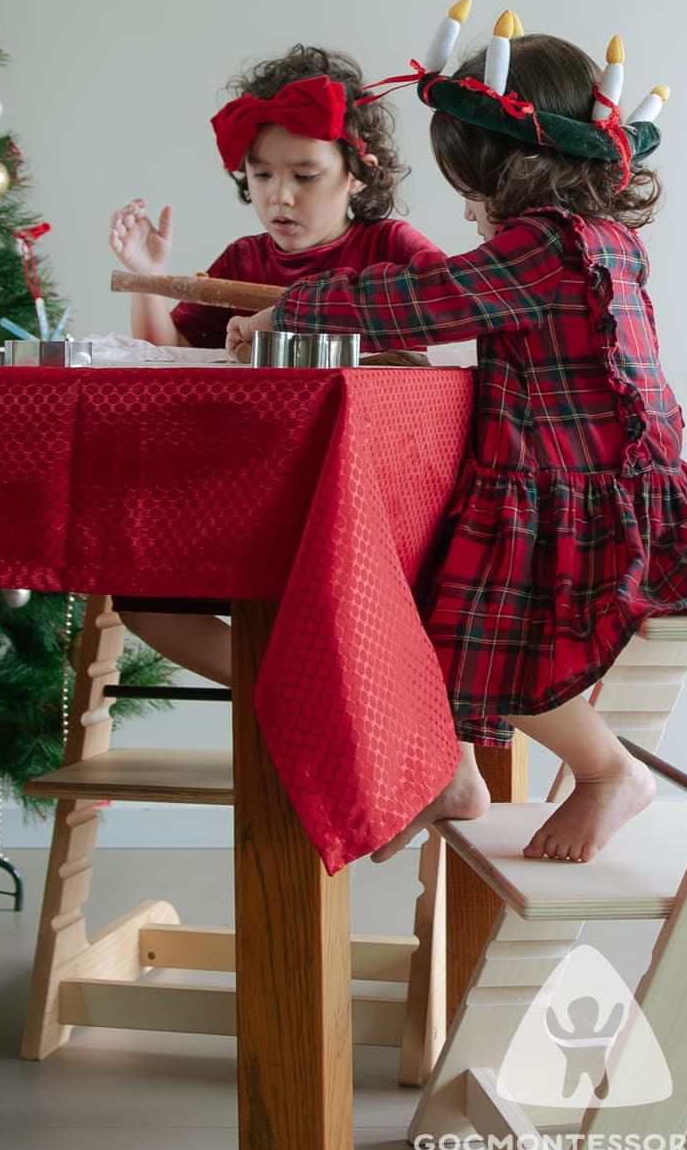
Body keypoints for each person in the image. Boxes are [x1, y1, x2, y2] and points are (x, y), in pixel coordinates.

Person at [228, 26, 687, 864]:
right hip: (572, 483)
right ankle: (446, 773)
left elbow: (429, 298)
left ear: (503, 164)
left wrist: (297, 309)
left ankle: (609, 772)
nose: (466, 203)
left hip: (583, 499)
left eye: (467, 181)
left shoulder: (546, 245)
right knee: (425, 600)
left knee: (499, 641)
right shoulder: (598, 238)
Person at [108, 44, 441, 684]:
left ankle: (334, 684)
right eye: (261, 176)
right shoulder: (243, 259)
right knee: (144, 598)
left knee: (350, 599)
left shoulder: (391, 249)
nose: (279, 196)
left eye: (305, 175)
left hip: (361, 503)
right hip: (249, 492)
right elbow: (171, 362)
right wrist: (151, 282)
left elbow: (449, 333)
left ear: (359, 173)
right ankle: (293, 683)